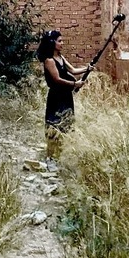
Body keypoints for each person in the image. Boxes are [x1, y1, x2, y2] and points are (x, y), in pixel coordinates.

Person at [36, 29, 91, 162]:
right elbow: (57, 79)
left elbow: (73, 70)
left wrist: (87, 68)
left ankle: (60, 154)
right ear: (52, 42)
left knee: (66, 123)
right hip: (56, 96)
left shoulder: (60, 57)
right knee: (54, 125)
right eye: (59, 41)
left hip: (66, 95)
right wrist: (75, 84)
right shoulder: (49, 60)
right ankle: (50, 156)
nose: (62, 43)